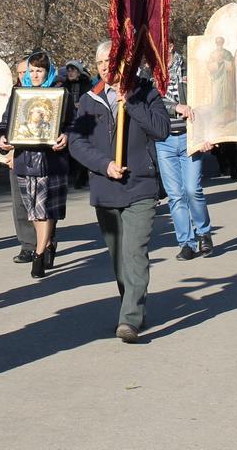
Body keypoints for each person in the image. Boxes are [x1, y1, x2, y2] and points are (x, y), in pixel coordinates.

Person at [69, 39, 170, 342]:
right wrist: (104, 165)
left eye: (109, 62)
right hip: (106, 187)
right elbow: (77, 142)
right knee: (118, 259)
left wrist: (132, 103)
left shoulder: (146, 91)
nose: (104, 68)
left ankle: (129, 318)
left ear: (123, 63)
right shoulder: (90, 99)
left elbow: (161, 129)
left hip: (141, 185)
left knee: (135, 251)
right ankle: (132, 301)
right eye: (99, 63)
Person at [0, 51, 73, 279]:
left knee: (45, 209)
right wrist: (1, 137)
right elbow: (5, 123)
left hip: (51, 161)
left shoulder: (60, 95)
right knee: (34, 212)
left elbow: (73, 123)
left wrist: (66, 136)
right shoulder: (19, 94)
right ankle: (47, 244)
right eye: (32, 70)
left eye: (40, 70)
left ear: (48, 72)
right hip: (25, 160)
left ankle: (39, 254)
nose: (35, 74)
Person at [156, 47, 214, 259]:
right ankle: (186, 243)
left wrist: (209, 135)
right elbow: (150, 101)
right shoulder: (149, 71)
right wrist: (175, 107)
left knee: (192, 189)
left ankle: (204, 233)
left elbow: (206, 100)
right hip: (164, 140)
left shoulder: (191, 68)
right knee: (175, 195)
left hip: (191, 137)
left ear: (169, 45)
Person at [7, 57, 37, 263]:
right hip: (18, 155)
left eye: (26, 72)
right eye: (18, 73)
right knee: (20, 203)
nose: (23, 76)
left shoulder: (50, 92)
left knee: (42, 204)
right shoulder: (14, 94)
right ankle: (28, 245)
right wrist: (5, 147)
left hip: (43, 157)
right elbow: (4, 123)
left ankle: (46, 242)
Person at [63, 61, 92, 188]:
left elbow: (87, 101)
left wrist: (77, 105)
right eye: (68, 70)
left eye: (73, 70)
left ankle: (82, 177)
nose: (70, 73)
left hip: (83, 119)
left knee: (81, 146)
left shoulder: (86, 85)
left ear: (79, 72)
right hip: (68, 119)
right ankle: (72, 175)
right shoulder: (64, 85)